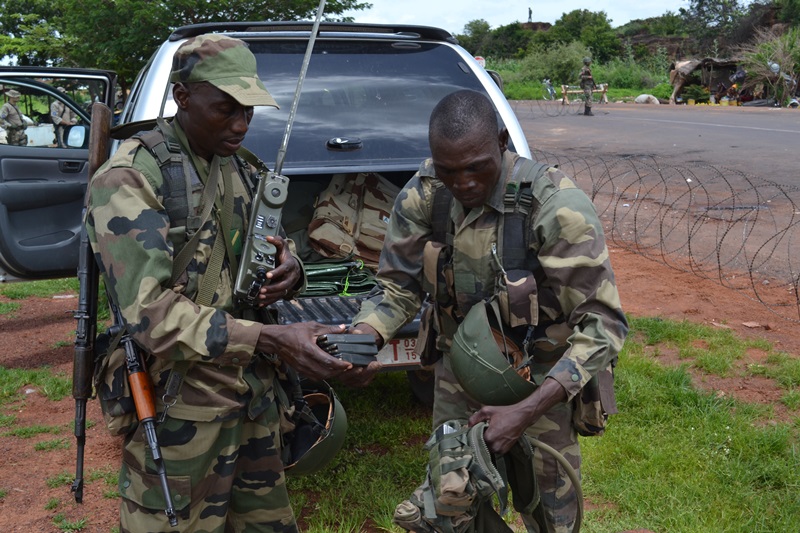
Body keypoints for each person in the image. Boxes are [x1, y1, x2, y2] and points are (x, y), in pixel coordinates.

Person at [85, 33, 352, 532]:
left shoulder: (240, 167)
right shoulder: (132, 177)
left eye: (249, 110)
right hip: (179, 409)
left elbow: (267, 245)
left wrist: (290, 270)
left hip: (252, 398)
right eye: (225, 108)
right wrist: (270, 337)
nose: (241, 124)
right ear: (183, 97)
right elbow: (150, 315)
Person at [345, 89, 628, 532]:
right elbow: (397, 288)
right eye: (449, 171)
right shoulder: (425, 195)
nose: (463, 184)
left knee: (549, 508)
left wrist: (528, 410)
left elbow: (603, 324)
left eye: (476, 167)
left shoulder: (555, 205)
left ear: (501, 141)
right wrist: (364, 336)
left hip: (540, 377)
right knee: (451, 501)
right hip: (458, 371)